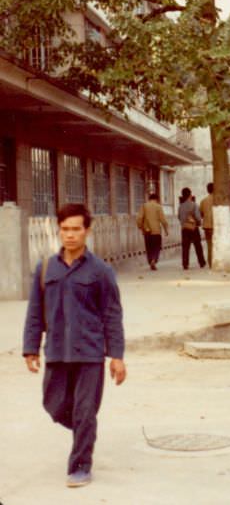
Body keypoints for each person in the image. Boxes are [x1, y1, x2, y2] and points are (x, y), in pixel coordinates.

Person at [23, 203, 127, 488]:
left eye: (76, 229)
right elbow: (35, 311)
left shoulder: (101, 271)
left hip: (90, 353)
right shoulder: (45, 268)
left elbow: (112, 315)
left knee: (84, 410)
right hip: (57, 351)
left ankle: (81, 464)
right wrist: (30, 348)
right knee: (54, 405)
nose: (70, 235)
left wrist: (116, 356)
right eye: (65, 229)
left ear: (86, 231)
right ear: (59, 230)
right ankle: (86, 429)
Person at [136, 192, 169, 271]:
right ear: (156, 199)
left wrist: (140, 227)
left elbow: (139, 218)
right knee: (157, 247)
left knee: (149, 248)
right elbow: (163, 220)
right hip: (156, 231)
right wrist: (166, 230)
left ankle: (150, 260)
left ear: (149, 199)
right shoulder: (158, 207)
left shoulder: (144, 206)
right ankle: (154, 260)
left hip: (147, 232)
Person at [178, 187, 206, 270]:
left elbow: (179, 217)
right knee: (198, 246)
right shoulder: (194, 205)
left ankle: (185, 264)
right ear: (190, 195)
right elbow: (198, 217)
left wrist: (184, 223)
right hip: (194, 228)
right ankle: (201, 262)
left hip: (184, 229)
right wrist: (199, 223)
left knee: (185, 247)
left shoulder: (180, 206)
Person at [199, 183, 214, 268]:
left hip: (207, 226)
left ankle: (210, 264)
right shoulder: (218, 200)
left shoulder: (203, 201)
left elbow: (200, 214)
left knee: (209, 246)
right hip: (216, 226)